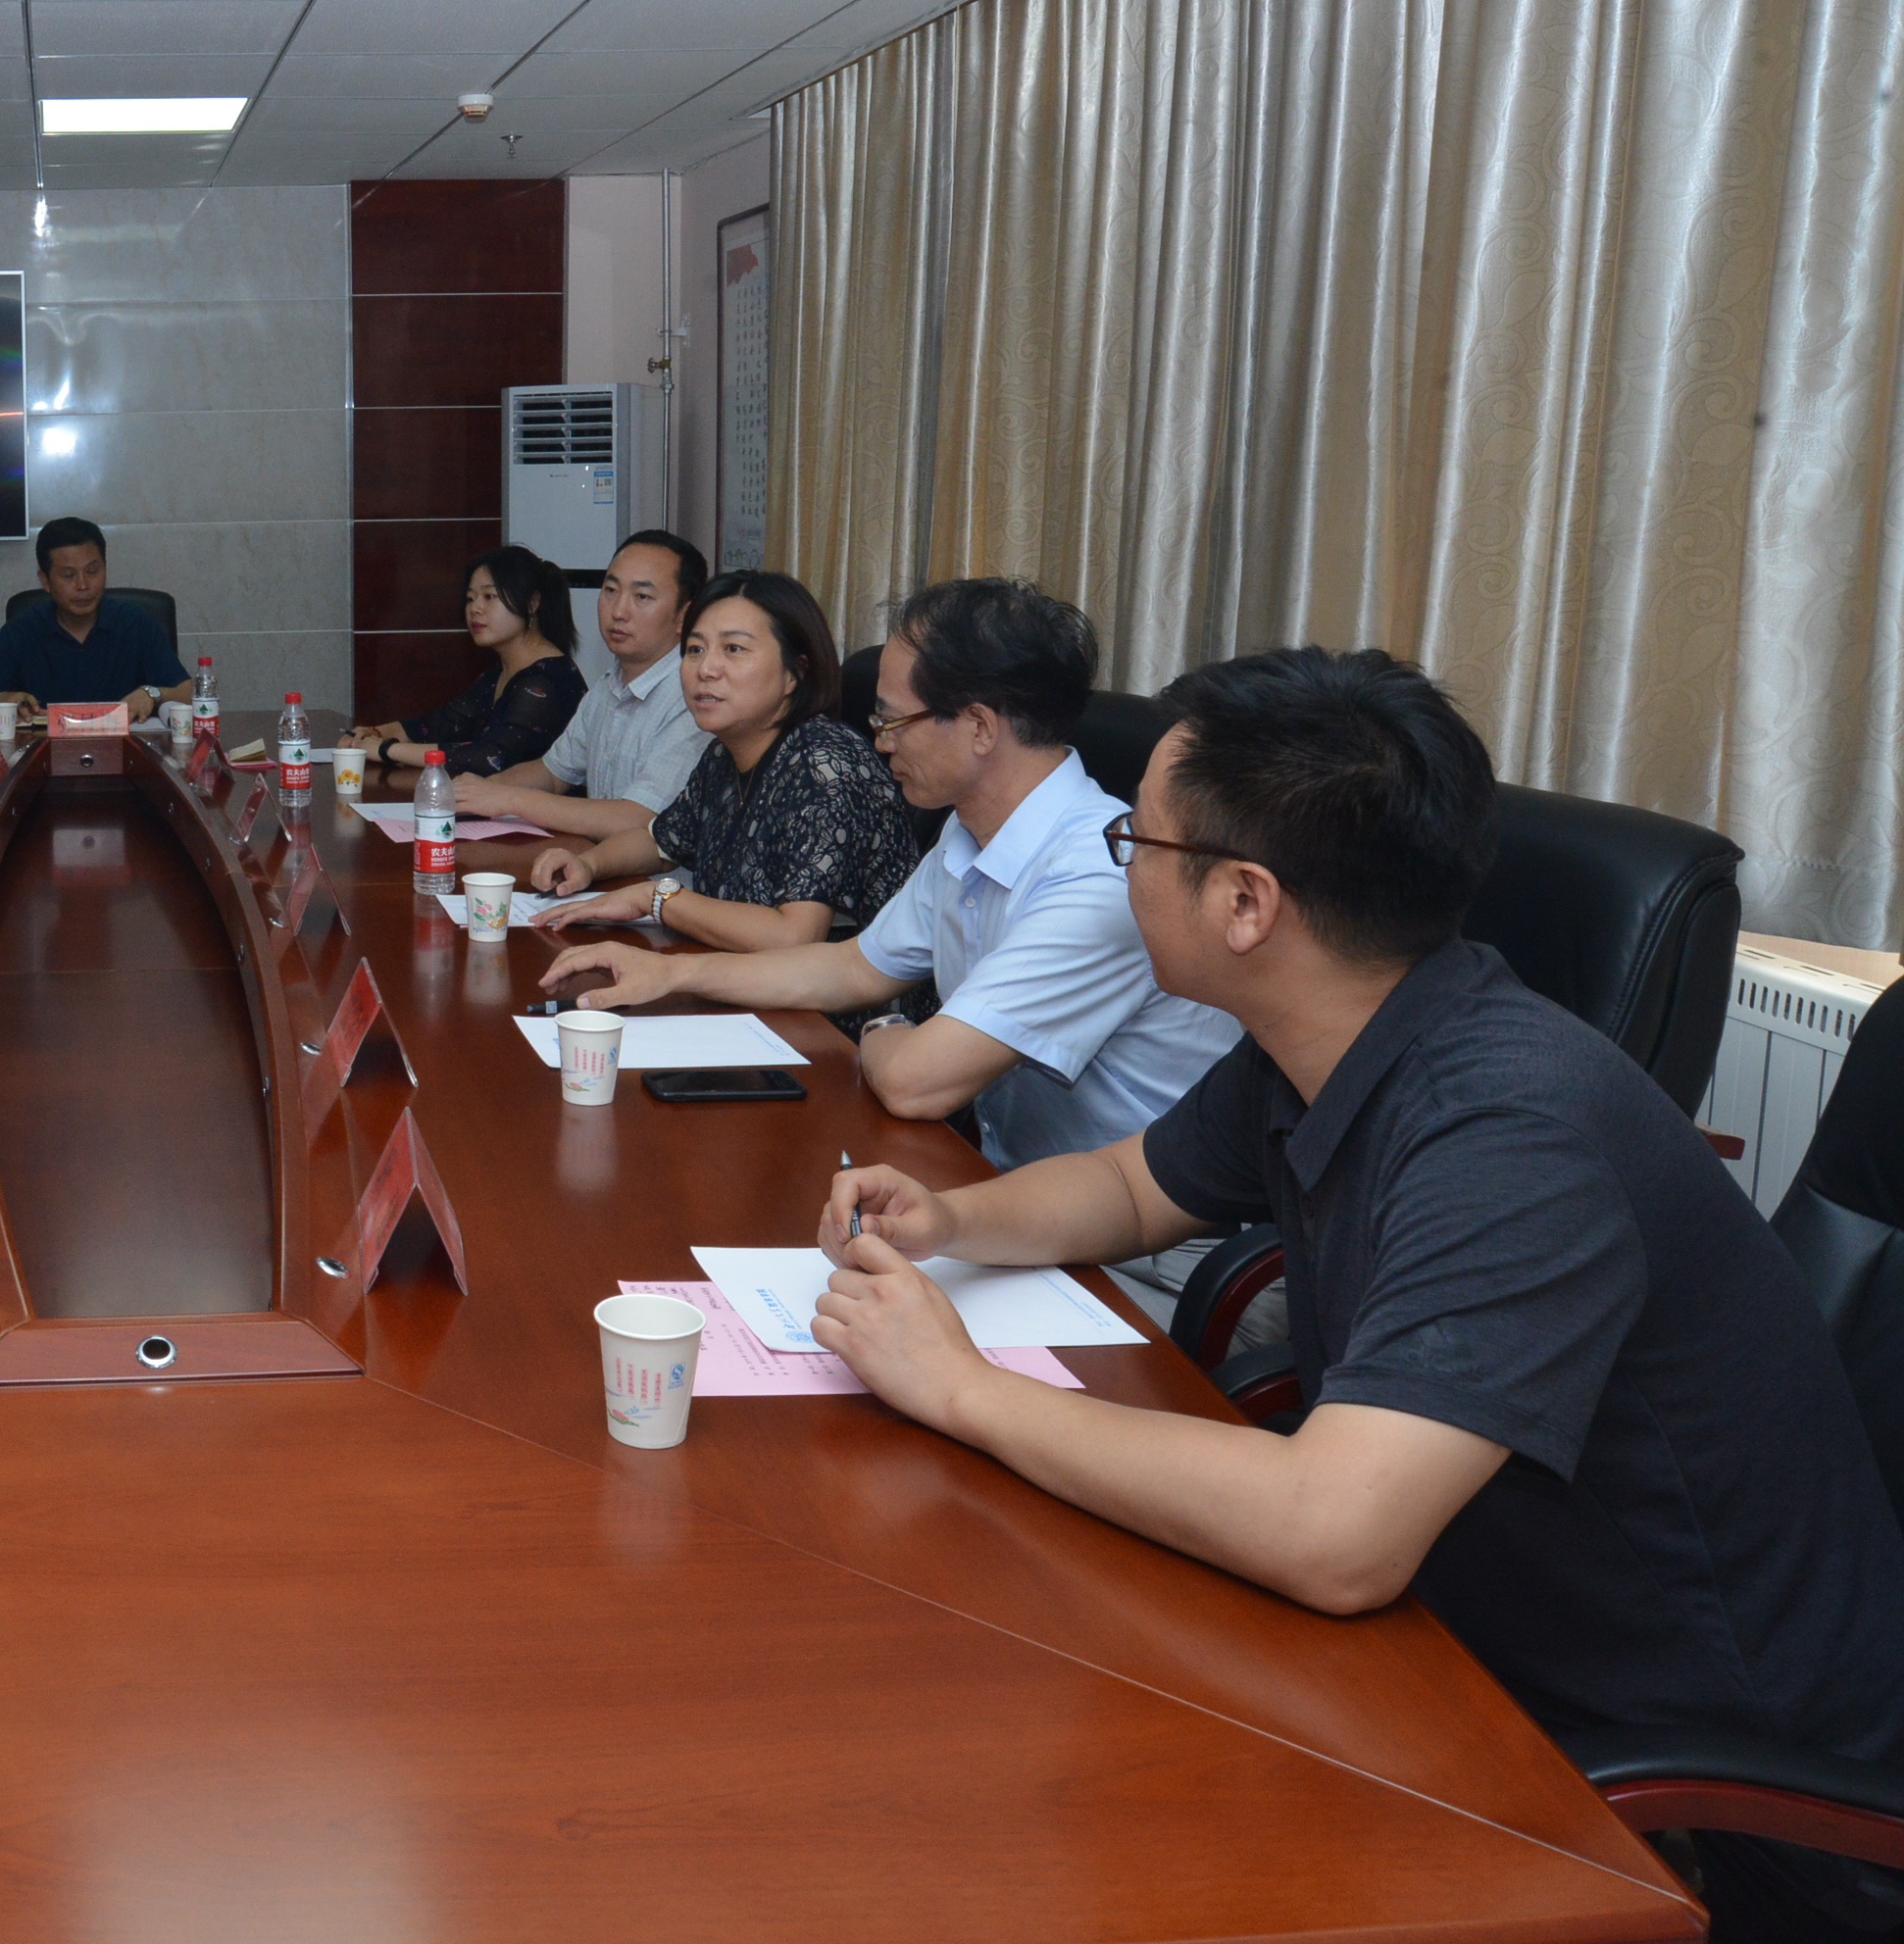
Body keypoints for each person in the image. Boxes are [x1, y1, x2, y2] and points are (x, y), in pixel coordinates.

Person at [806, 648, 1904, 1943]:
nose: (1121, 863)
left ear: (1245, 902)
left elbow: (1334, 1536)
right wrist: (951, 1221)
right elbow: (1130, 1186)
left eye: (1135, 839)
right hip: (1466, 1629)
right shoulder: (1331, 1031)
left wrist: (959, 1388)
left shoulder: (1511, 1128)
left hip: (1706, 1798)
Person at [540, 576, 1237, 1310]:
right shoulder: (970, 828)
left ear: (979, 727)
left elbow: (915, 1082)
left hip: (1144, 1263)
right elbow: (852, 965)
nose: (879, 740)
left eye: (893, 719)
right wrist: (669, 976)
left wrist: (881, 1028)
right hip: (1007, 1200)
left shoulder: (1095, 874)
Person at [533, 570, 914, 953]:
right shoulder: (724, 751)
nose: (706, 669)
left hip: (828, 990)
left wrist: (656, 899)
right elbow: (661, 841)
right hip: (737, 973)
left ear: (795, 673)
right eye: (695, 649)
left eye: (733, 649)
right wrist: (588, 865)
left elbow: (794, 936)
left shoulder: (825, 763)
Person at [452, 529, 711, 840]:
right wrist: (473, 794)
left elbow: (639, 819)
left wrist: (509, 800)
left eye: (642, 597)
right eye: (611, 590)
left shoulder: (695, 699)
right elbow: (552, 773)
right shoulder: (608, 686)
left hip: (646, 872)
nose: (618, 611)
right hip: (594, 862)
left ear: (685, 615)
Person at [344, 545, 587, 776]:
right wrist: (372, 733)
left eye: (489, 596)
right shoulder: (500, 673)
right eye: (470, 598)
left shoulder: (546, 681)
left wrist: (385, 749)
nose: (475, 609)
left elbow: (488, 759)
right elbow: (438, 725)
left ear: (531, 603)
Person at [0, 518, 192, 723]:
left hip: (124, 755)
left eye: (92, 572)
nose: (83, 585)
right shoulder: (22, 631)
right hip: (43, 757)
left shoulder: (135, 624)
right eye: (68, 575)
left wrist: (153, 694)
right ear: (45, 581)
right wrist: (2, 700)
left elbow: (192, 694)